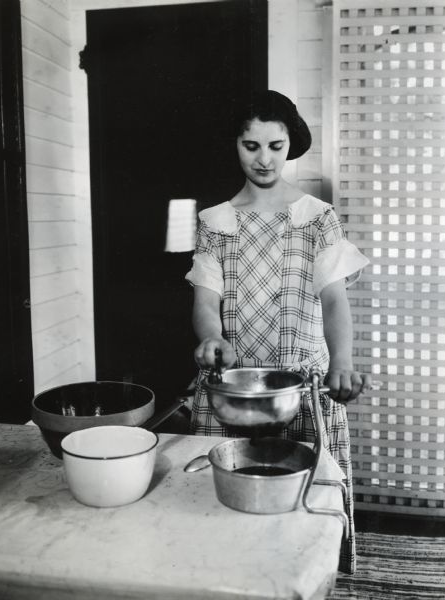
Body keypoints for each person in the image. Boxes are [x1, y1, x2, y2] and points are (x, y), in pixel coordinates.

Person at [185, 89, 371, 574]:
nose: (264, 159)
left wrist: (342, 363)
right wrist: (213, 339)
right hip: (234, 391)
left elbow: (334, 300)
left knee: (299, 517)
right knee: (227, 510)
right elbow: (206, 302)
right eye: (251, 146)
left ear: (291, 146)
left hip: (301, 390)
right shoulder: (215, 223)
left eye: (275, 146)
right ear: (235, 145)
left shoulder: (316, 219)